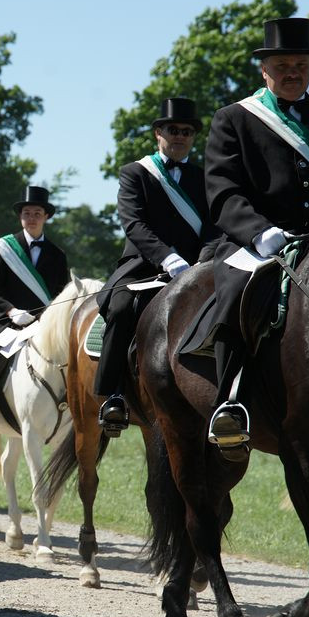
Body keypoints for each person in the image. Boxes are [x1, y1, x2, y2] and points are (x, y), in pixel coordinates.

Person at [201, 17, 309, 457]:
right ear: (265, 69)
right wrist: (259, 233)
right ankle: (230, 401)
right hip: (261, 241)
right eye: (283, 65)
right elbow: (222, 191)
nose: (293, 72)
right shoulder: (234, 120)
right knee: (232, 293)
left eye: (300, 64)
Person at [96, 98, 218, 435]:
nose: (180, 136)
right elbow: (133, 224)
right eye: (173, 130)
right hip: (143, 265)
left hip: (195, 267)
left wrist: (201, 260)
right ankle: (114, 395)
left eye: (187, 132)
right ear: (158, 133)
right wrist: (167, 257)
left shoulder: (204, 177)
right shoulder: (135, 173)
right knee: (121, 308)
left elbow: (213, 227)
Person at [0, 186, 70, 459]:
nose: (32, 217)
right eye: (27, 213)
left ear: (46, 216)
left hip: (45, 324)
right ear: (20, 218)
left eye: (37, 213)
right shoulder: (5, 248)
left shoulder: (57, 255)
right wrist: (12, 312)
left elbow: (63, 294)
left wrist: (47, 318)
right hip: (8, 320)